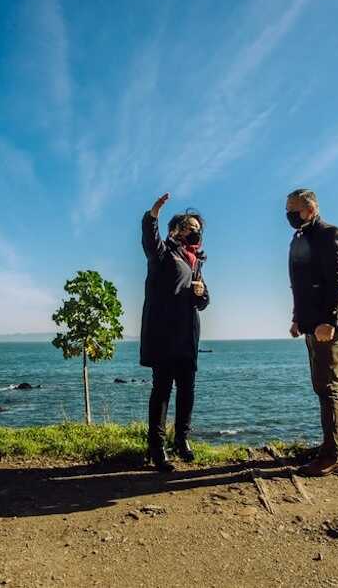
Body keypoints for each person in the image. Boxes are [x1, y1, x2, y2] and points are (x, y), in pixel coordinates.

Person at [286, 188, 338, 477]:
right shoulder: (299, 237)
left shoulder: (330, 233)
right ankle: (334, 447)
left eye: (295, 210)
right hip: (312, 325)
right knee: (322, 385)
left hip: (332, 327)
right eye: (287, 210)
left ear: (311, 209)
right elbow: (300, 285)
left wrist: (329, 321)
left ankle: (332, 456)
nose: (289, 215)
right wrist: (296, 318)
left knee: (328, 386)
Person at [140, 192, 210, 472]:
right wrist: (152, 215)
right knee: (161, 391)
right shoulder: (163, 253)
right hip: (163, 334)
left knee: (187, 390)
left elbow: (204, 302)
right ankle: (157, 449)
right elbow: (150, 240)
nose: (194, 232)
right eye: (189, 228)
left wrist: (202, 293)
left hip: (188, 336)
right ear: (175, 231)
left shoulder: (196, 263)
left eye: (197, 229)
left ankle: (182, 440)